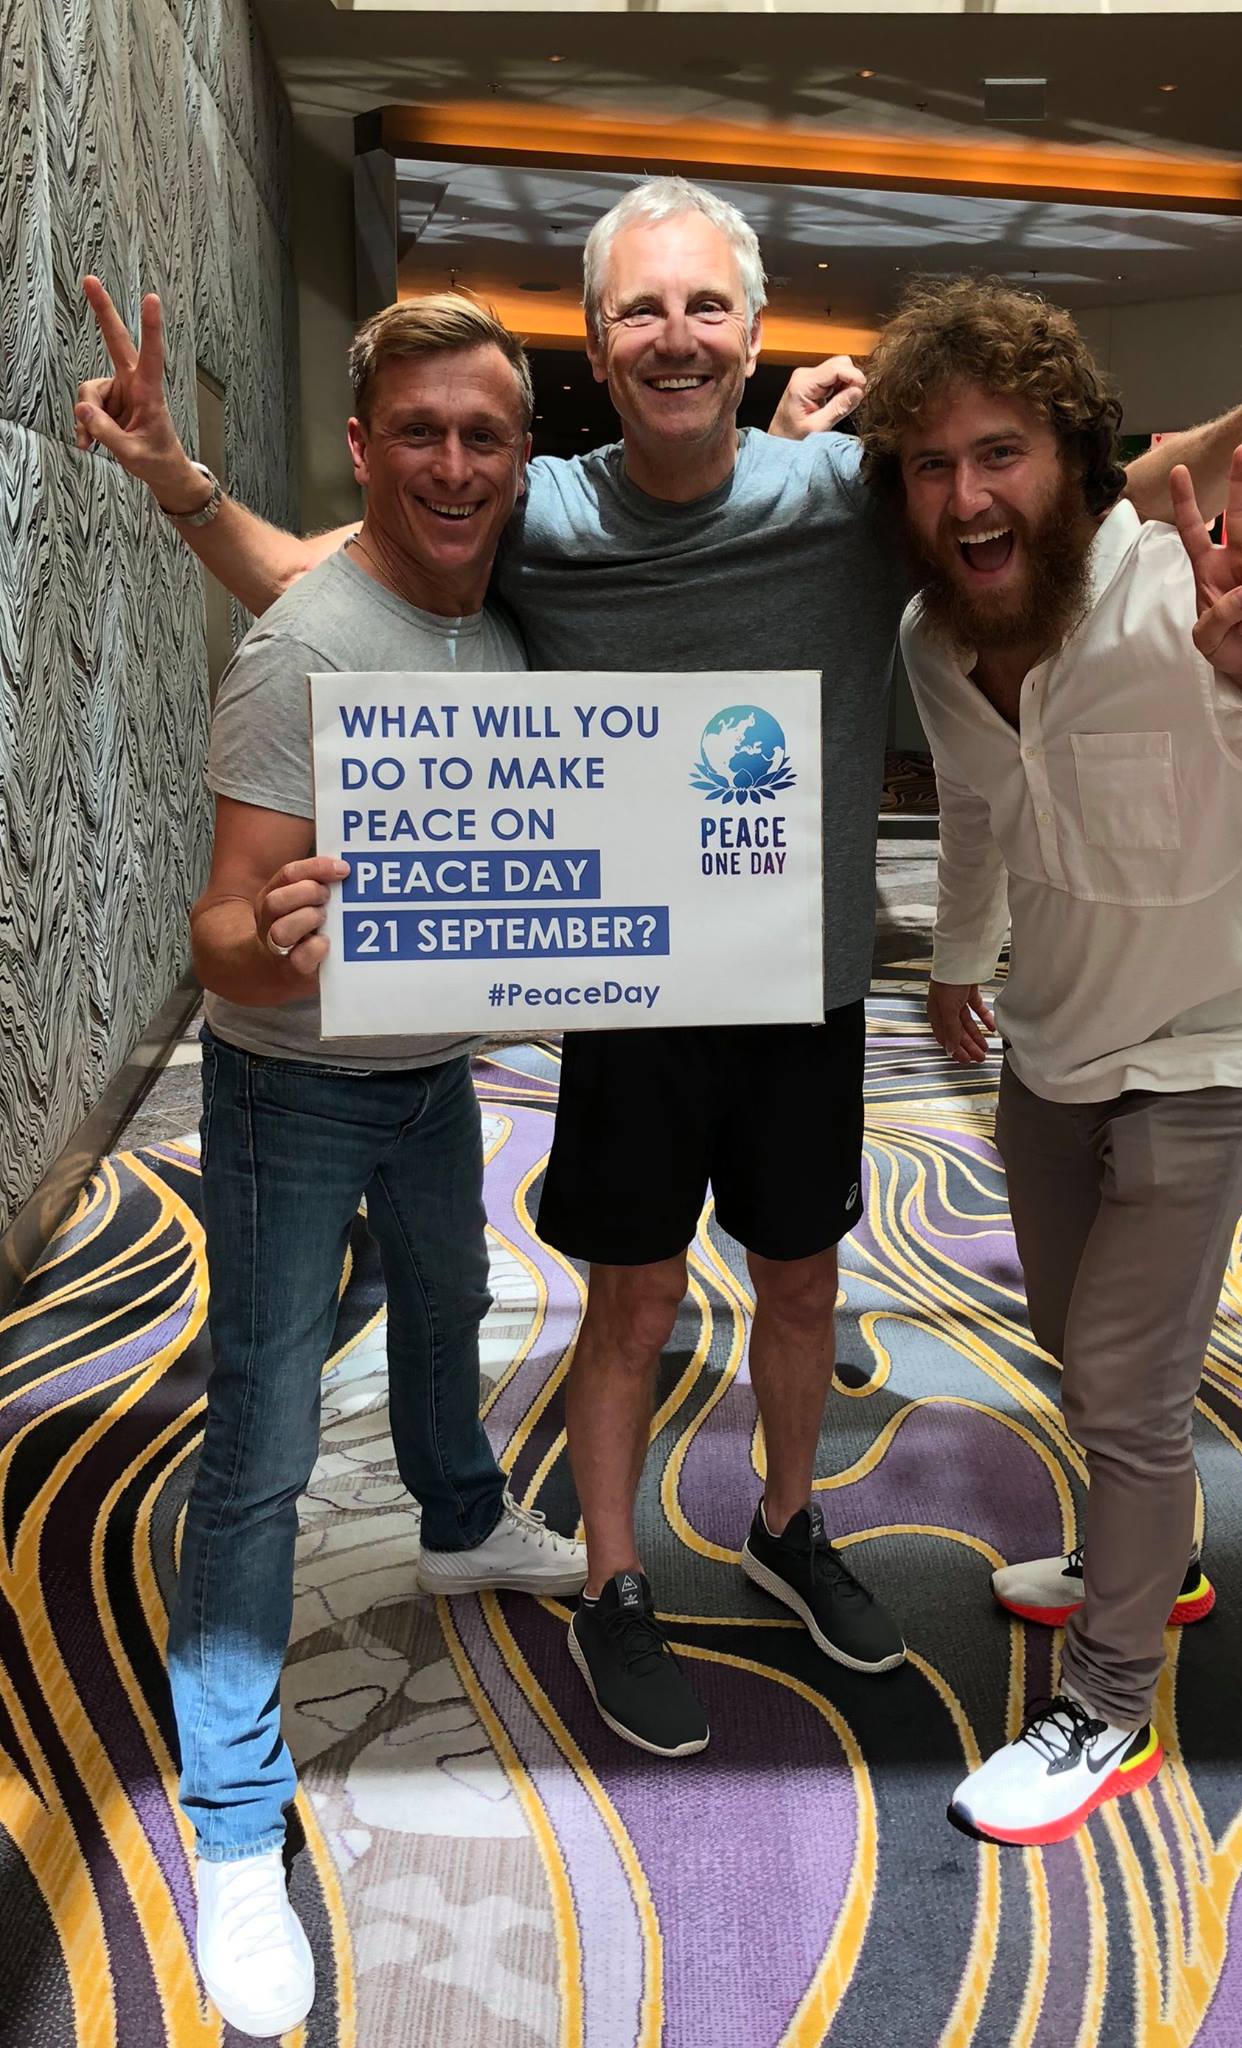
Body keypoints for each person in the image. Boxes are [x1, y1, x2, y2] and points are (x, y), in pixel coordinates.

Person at [76, 179, 1242, 1764]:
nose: (675, 336)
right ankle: (618, 1581)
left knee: (802, 1281)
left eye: (705, 306)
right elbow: (331, 580)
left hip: (806, 985)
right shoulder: (540, 511)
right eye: (641, 309)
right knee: (629, 1300)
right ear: (597, 337)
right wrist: (177, 486)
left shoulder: (846, 498)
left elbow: (1093, 491)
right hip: (629, 996)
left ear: (752, 329)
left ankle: (788, 1529)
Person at [857, 277, 1242, 1847]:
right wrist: (951, 960)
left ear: (1075, 462)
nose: (965, 496)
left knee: (1129, 1385)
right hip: (1051, 1051)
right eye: (931, 467)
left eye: (997, 454)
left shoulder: (1187, 606)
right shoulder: (936, 641)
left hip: (1209, 1051)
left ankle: (1108, 1701)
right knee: (1079, 1346)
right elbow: (984, 811)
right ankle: (1161, 1555)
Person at [128, 290, 589, 2039]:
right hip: (290, 1095)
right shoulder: (308, 649)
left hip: (434, 1076)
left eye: (484, 432)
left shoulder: (502, 606)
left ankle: (461, 1518)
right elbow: (221, 936)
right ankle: (235, 1828)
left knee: (452, 1292)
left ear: (521, 452)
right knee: (256, 1435)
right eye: (421, 432)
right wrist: (281, 944)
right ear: (364, 446)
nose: (455, 462)